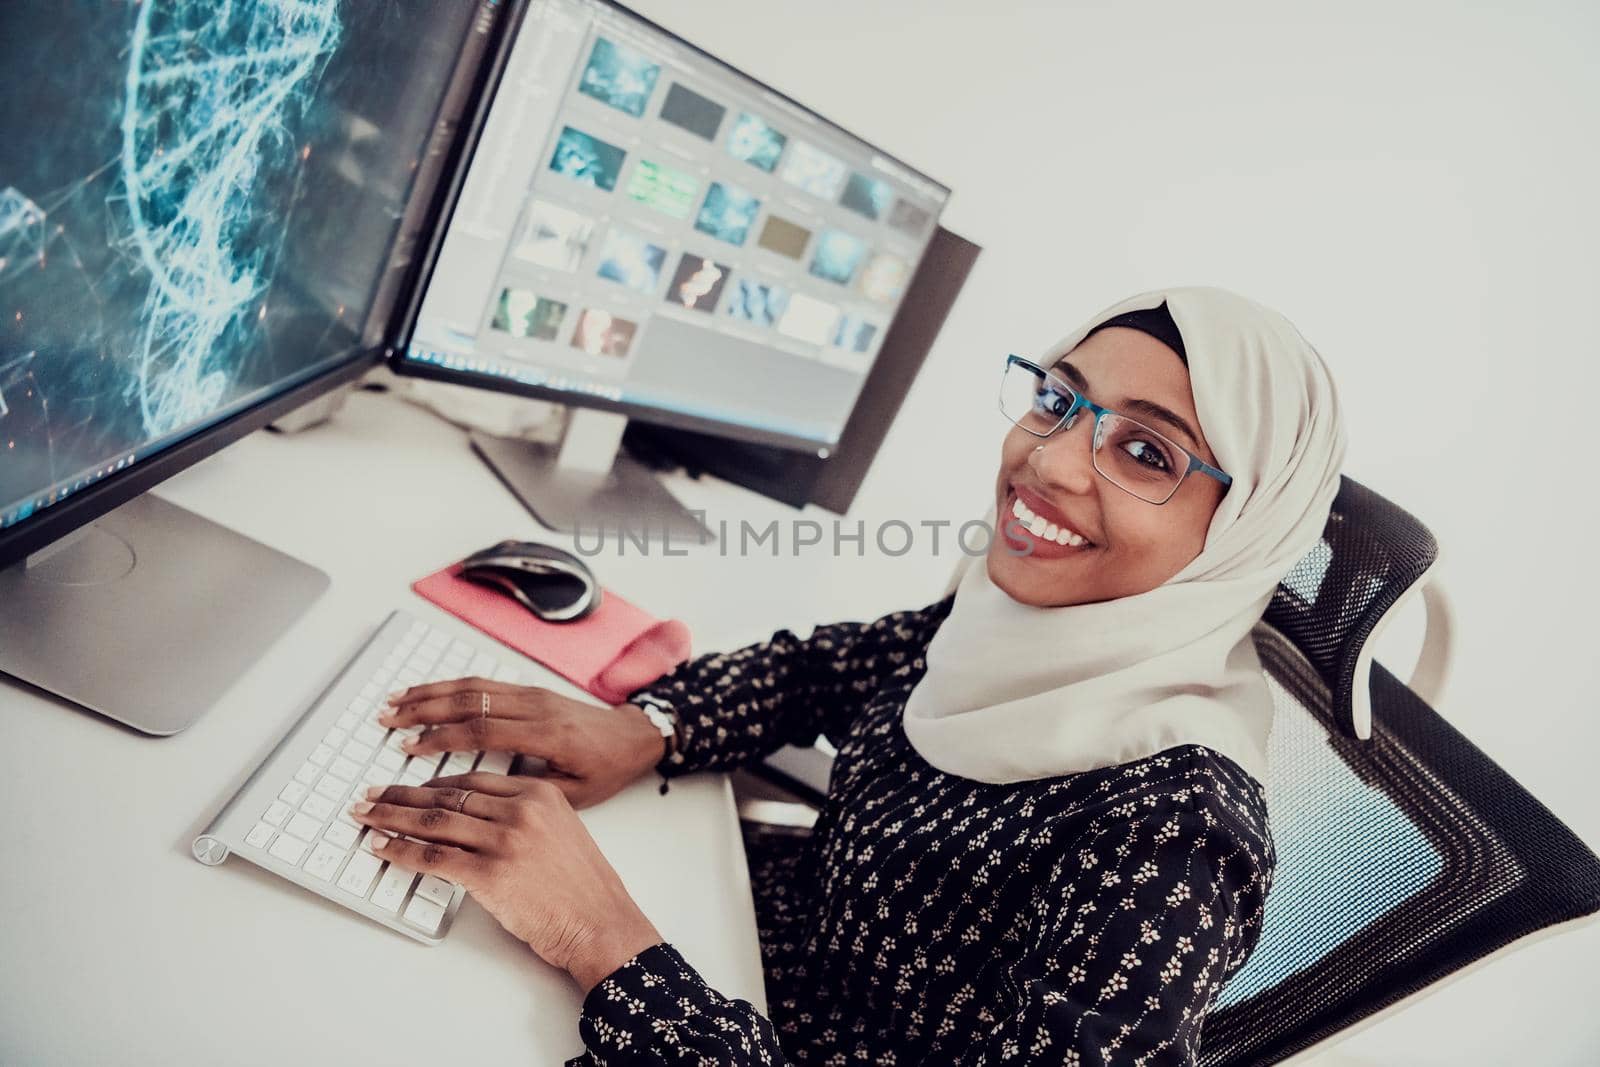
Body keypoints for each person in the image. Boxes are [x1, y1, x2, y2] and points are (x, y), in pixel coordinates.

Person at [354, 286, 1347, 1064]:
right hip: (735, 948)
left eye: (1142, 449)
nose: (1048, 463)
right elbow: (821, 670)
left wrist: (599, 934)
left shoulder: (1177, 834)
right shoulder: (1020, 620)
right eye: (1056, 398)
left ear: (1240, 530)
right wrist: (652, 726)